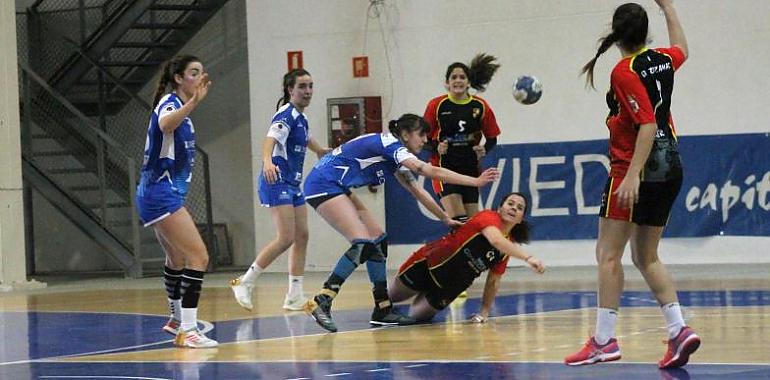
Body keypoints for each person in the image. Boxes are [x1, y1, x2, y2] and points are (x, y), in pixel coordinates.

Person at [564, 0, 700, 368]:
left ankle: (604, 341)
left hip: (635, 168)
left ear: (617, 33)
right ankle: (679, 330)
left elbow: (647, 125)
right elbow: (683, 49)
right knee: (645, 255)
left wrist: (630, 175)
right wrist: (668, 6)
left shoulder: (624, 71)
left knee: (608, 255)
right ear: (644, 33)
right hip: (670, 166)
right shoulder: (661, 59)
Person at [302, 113, 499, 333]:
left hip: (336, 186)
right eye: (421, 134)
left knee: (378, 241)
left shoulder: (393, 155)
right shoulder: (390, 144)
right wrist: (476, 181)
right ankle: (322, 300)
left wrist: (444, 218)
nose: (425, 140)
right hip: (323, 185)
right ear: (405, 134)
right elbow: (428, 170)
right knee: (363, 243)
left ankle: (383, 308)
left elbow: (417, 190)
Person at [230, 69, 330, 311]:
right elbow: (270, 140)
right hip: (276, 180)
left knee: (302, 235)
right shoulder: (285, 114)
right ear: (290, 90)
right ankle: (245, 281)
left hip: (293, 183)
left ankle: (294, 294)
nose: (308, 91)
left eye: (310, 86)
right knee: (286, 238)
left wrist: (320, 151)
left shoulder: (301, 118)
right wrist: (266, 161)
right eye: (302, 86)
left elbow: (305, 138)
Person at [136, 55, 217, 348]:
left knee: (177, 258)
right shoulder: (170, 103)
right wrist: (194, 102)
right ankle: (190, 330)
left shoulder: (178, 106)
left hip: (155, 192)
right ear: (179, 78)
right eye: (193, 72)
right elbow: (165, 123)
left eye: (201, 71)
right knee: (200, 257)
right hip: (160, 192)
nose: (199, 76)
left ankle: (175, 320)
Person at [389, 192, 545, 322]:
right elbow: (496, 240)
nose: (514, 208)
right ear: (500, 208)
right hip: (429, 265)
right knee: (387, 299)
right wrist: (528, 258)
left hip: (450, 287)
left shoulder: (507, 249)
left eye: (519, 208)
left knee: (415, 319)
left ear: (520, 219)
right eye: (510, 203)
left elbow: (493, 281)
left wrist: (483, 312)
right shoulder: (488, 217)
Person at [423, 53, 501, 223]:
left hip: (470, 170)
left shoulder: (480, 106)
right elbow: (423, 139)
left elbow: (492, 138)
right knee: (459, 221)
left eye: (462, 77)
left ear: (468, 82)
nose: (458, 81)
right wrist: (436, 146)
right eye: (454, 77)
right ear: (447, 82)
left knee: (473, 226)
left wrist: (484, 149)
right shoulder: (436, 105)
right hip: (444, 169)